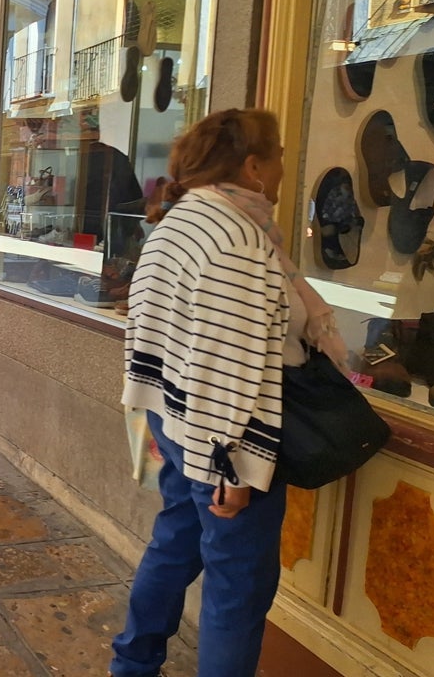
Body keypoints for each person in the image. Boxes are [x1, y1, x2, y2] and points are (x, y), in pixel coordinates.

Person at [109, 108, 348, 677]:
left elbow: (149, 323)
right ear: (254, 166)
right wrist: (232, 469)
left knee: (177, 543)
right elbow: (230, 359)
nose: (287, 164)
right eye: (282, 154)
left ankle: (133, 664)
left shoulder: (184, 221)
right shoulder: (236, 240)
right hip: (222, 435)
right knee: (237, 588)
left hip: (182, 416)